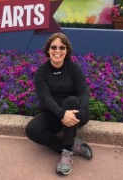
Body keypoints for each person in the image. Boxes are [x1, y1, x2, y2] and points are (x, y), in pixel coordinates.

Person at [25, 32, 92, 176]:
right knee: (31, 130)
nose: (57, 51)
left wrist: (79, 111)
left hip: (76, 111)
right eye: (53, 47)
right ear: (48, 50)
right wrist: (62, 114)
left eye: (62, 48)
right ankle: (73, 145)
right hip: (53, 113)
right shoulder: (42, 71)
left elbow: (84, 93)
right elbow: (46, 97)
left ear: (66, 50)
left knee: (72, 100)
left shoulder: (73, 68)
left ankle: (67, 154)